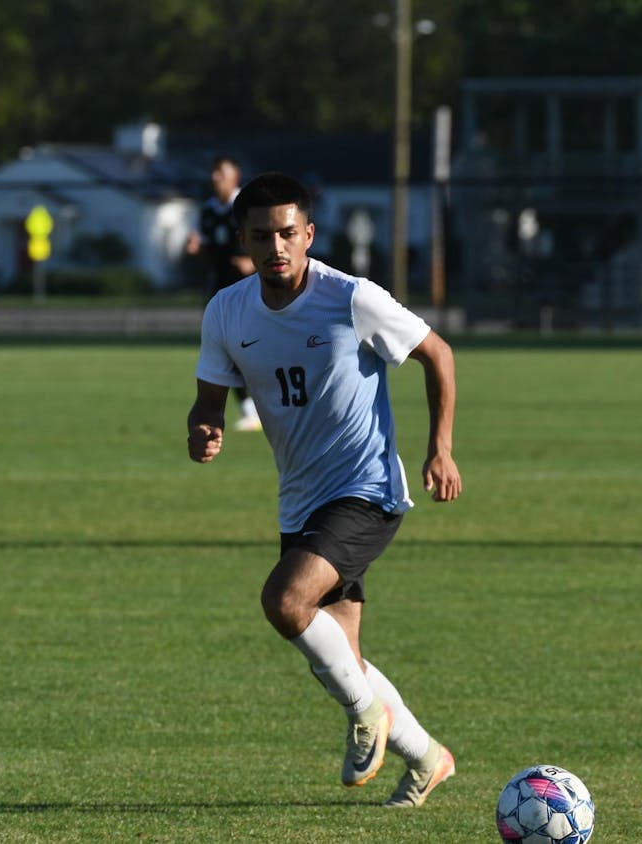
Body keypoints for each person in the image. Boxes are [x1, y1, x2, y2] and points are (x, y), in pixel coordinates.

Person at [187, 171, 461, 806]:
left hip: (366, 489)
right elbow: (208, 400)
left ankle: (366, 716)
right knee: (344, 655)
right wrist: (205, 428)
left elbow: (438, 353)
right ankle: (427, 757)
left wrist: (439, 448)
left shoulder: (351, 298)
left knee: (285, 602)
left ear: (309, 234)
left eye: (288, 234)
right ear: (245, 241)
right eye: (262, 236)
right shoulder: (226, 309)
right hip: (301, 499)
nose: (276, 247)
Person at [187, 155, 262, 431]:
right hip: (219, 289)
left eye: (221, 173)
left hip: (251, 289)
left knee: (250, 347)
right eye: (213, 173)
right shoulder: (207, 210)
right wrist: (198, 249)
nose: (215, 178)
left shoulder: (247, 207)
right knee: (224, 349)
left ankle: (264, 407)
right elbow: (208, 249)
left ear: (235, 176)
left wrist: (253, 263)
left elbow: (273, 242)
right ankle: (250, 410)